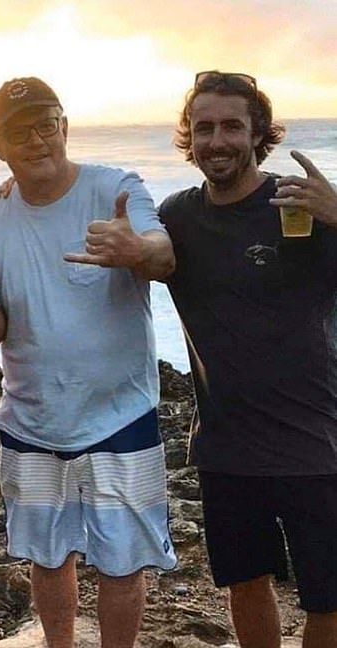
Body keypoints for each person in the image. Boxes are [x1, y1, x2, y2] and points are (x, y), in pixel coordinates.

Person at [0, 76, 177, 648]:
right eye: (20, 131)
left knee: (122, 563)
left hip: (121, 418)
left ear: (65, 127)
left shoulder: (115, 189)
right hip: (30, 421)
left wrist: (137, 252)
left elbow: (164, 256)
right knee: (47, 557)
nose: (37, 140)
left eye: (47, 124)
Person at [157, 70, 337, 647]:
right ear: (189, 136)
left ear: (258, 132)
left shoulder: (300, 205)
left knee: (329, 599)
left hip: (314, 442)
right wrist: (19, 188)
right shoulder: (177, 217)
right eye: (204, 127)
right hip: (226, 447)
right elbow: (103, 216)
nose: (217, 140)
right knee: (245, 583)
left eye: (232, 126)